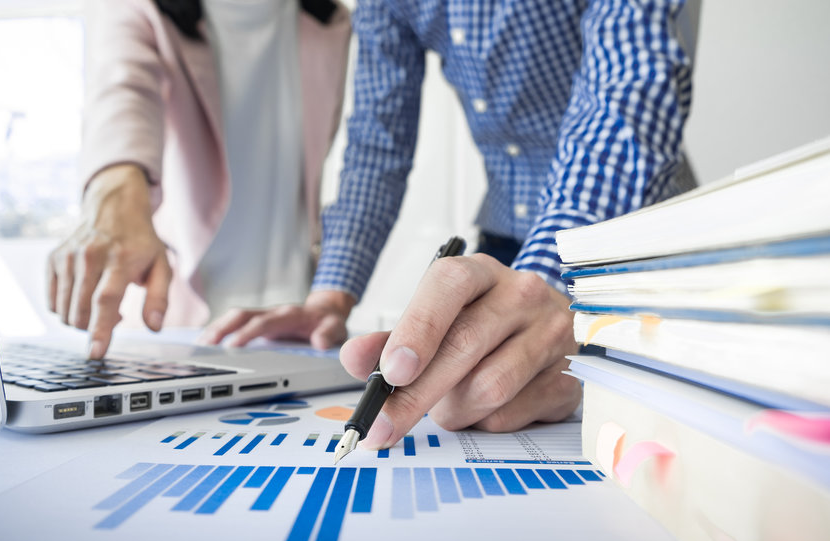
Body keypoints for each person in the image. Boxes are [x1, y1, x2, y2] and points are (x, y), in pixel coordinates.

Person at [197, 0, 701, 450]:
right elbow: (377, 142)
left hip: (634, 243)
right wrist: (330, 295)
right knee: (488, 408)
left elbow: (629, 90)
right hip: (505, 245)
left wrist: (547, 274)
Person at [46, 0, 351, 360]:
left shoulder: (331, 22)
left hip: (293, 330)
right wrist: (114, 199)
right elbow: (123, 96)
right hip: (177, 333)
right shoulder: (138, 9)